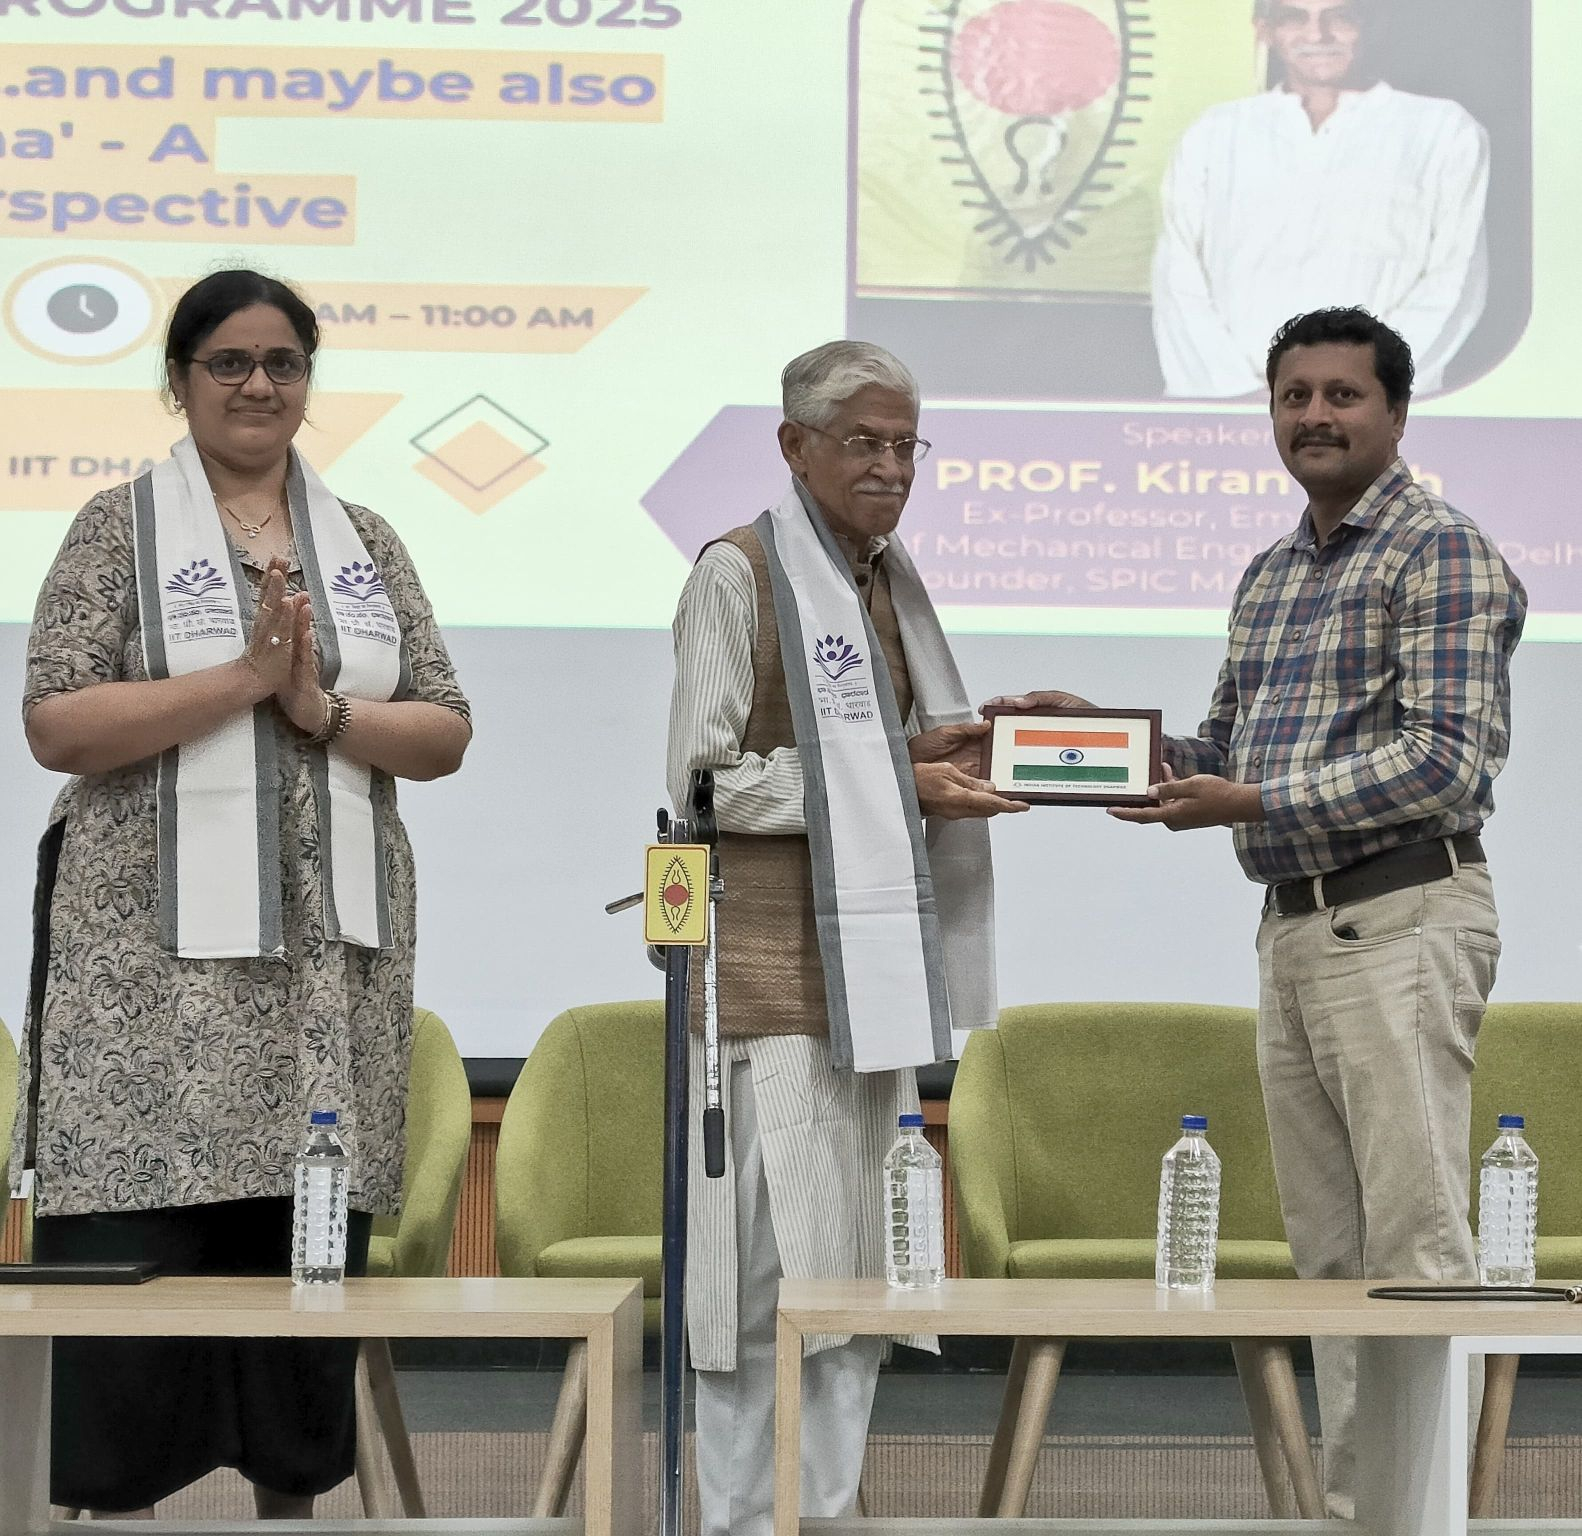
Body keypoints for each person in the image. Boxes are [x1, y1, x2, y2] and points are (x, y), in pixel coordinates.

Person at [1012, 307, 1525, 1515]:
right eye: (1294, 396)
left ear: (1395, 413)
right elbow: (1227, 750)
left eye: (1342, 395)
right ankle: (1358, 1514)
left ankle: (1429, 1518)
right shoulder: (1272, 573)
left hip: (1402, 916)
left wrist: (1249, 799)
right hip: (1296, 930)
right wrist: (1106, 742)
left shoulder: (1441, 552)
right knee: (1331, 1258)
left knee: (1414, 1247)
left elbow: (1444, 764)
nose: (1314, 417)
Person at [10, 268, 471, 1517]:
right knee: (140, 1262)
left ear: (308, 384)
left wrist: (322, 710)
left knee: (295, 1260)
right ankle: (114, 1506)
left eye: (283, 362)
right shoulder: (116, 527)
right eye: (229, 362)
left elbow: (443, 729)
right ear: (179, 381)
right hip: (146, 978)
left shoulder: (365, 540)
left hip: (324, 973)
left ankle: (290, 1504)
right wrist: (242, 681)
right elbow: (55, 723)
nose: (258, 384)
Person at [667, 339, 1025, 1536]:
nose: (890, 467)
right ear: (794, 446)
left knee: (857, 1285)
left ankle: (819, 1518)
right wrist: (892, 779)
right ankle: (738, 1523)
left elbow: (883, 758)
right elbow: (704, 787)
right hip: (763, 990)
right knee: (758, 1292)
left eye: (905, 444)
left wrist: (958, 748)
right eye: (863, 441)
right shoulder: (738, 575)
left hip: (872, 989)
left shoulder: (884, 583)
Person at [1151, 0, 1490, 399]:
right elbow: (1177, 274)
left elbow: (1455, 278)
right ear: (1265, 30)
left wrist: (1362, 385)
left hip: (1373, 409)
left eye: (1339, 17)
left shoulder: (1441, 131)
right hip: (1226, 406)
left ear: (1370, 24)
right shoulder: (1216, 133)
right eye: (1294, 18)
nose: (1317, 35)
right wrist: (1237, 392)